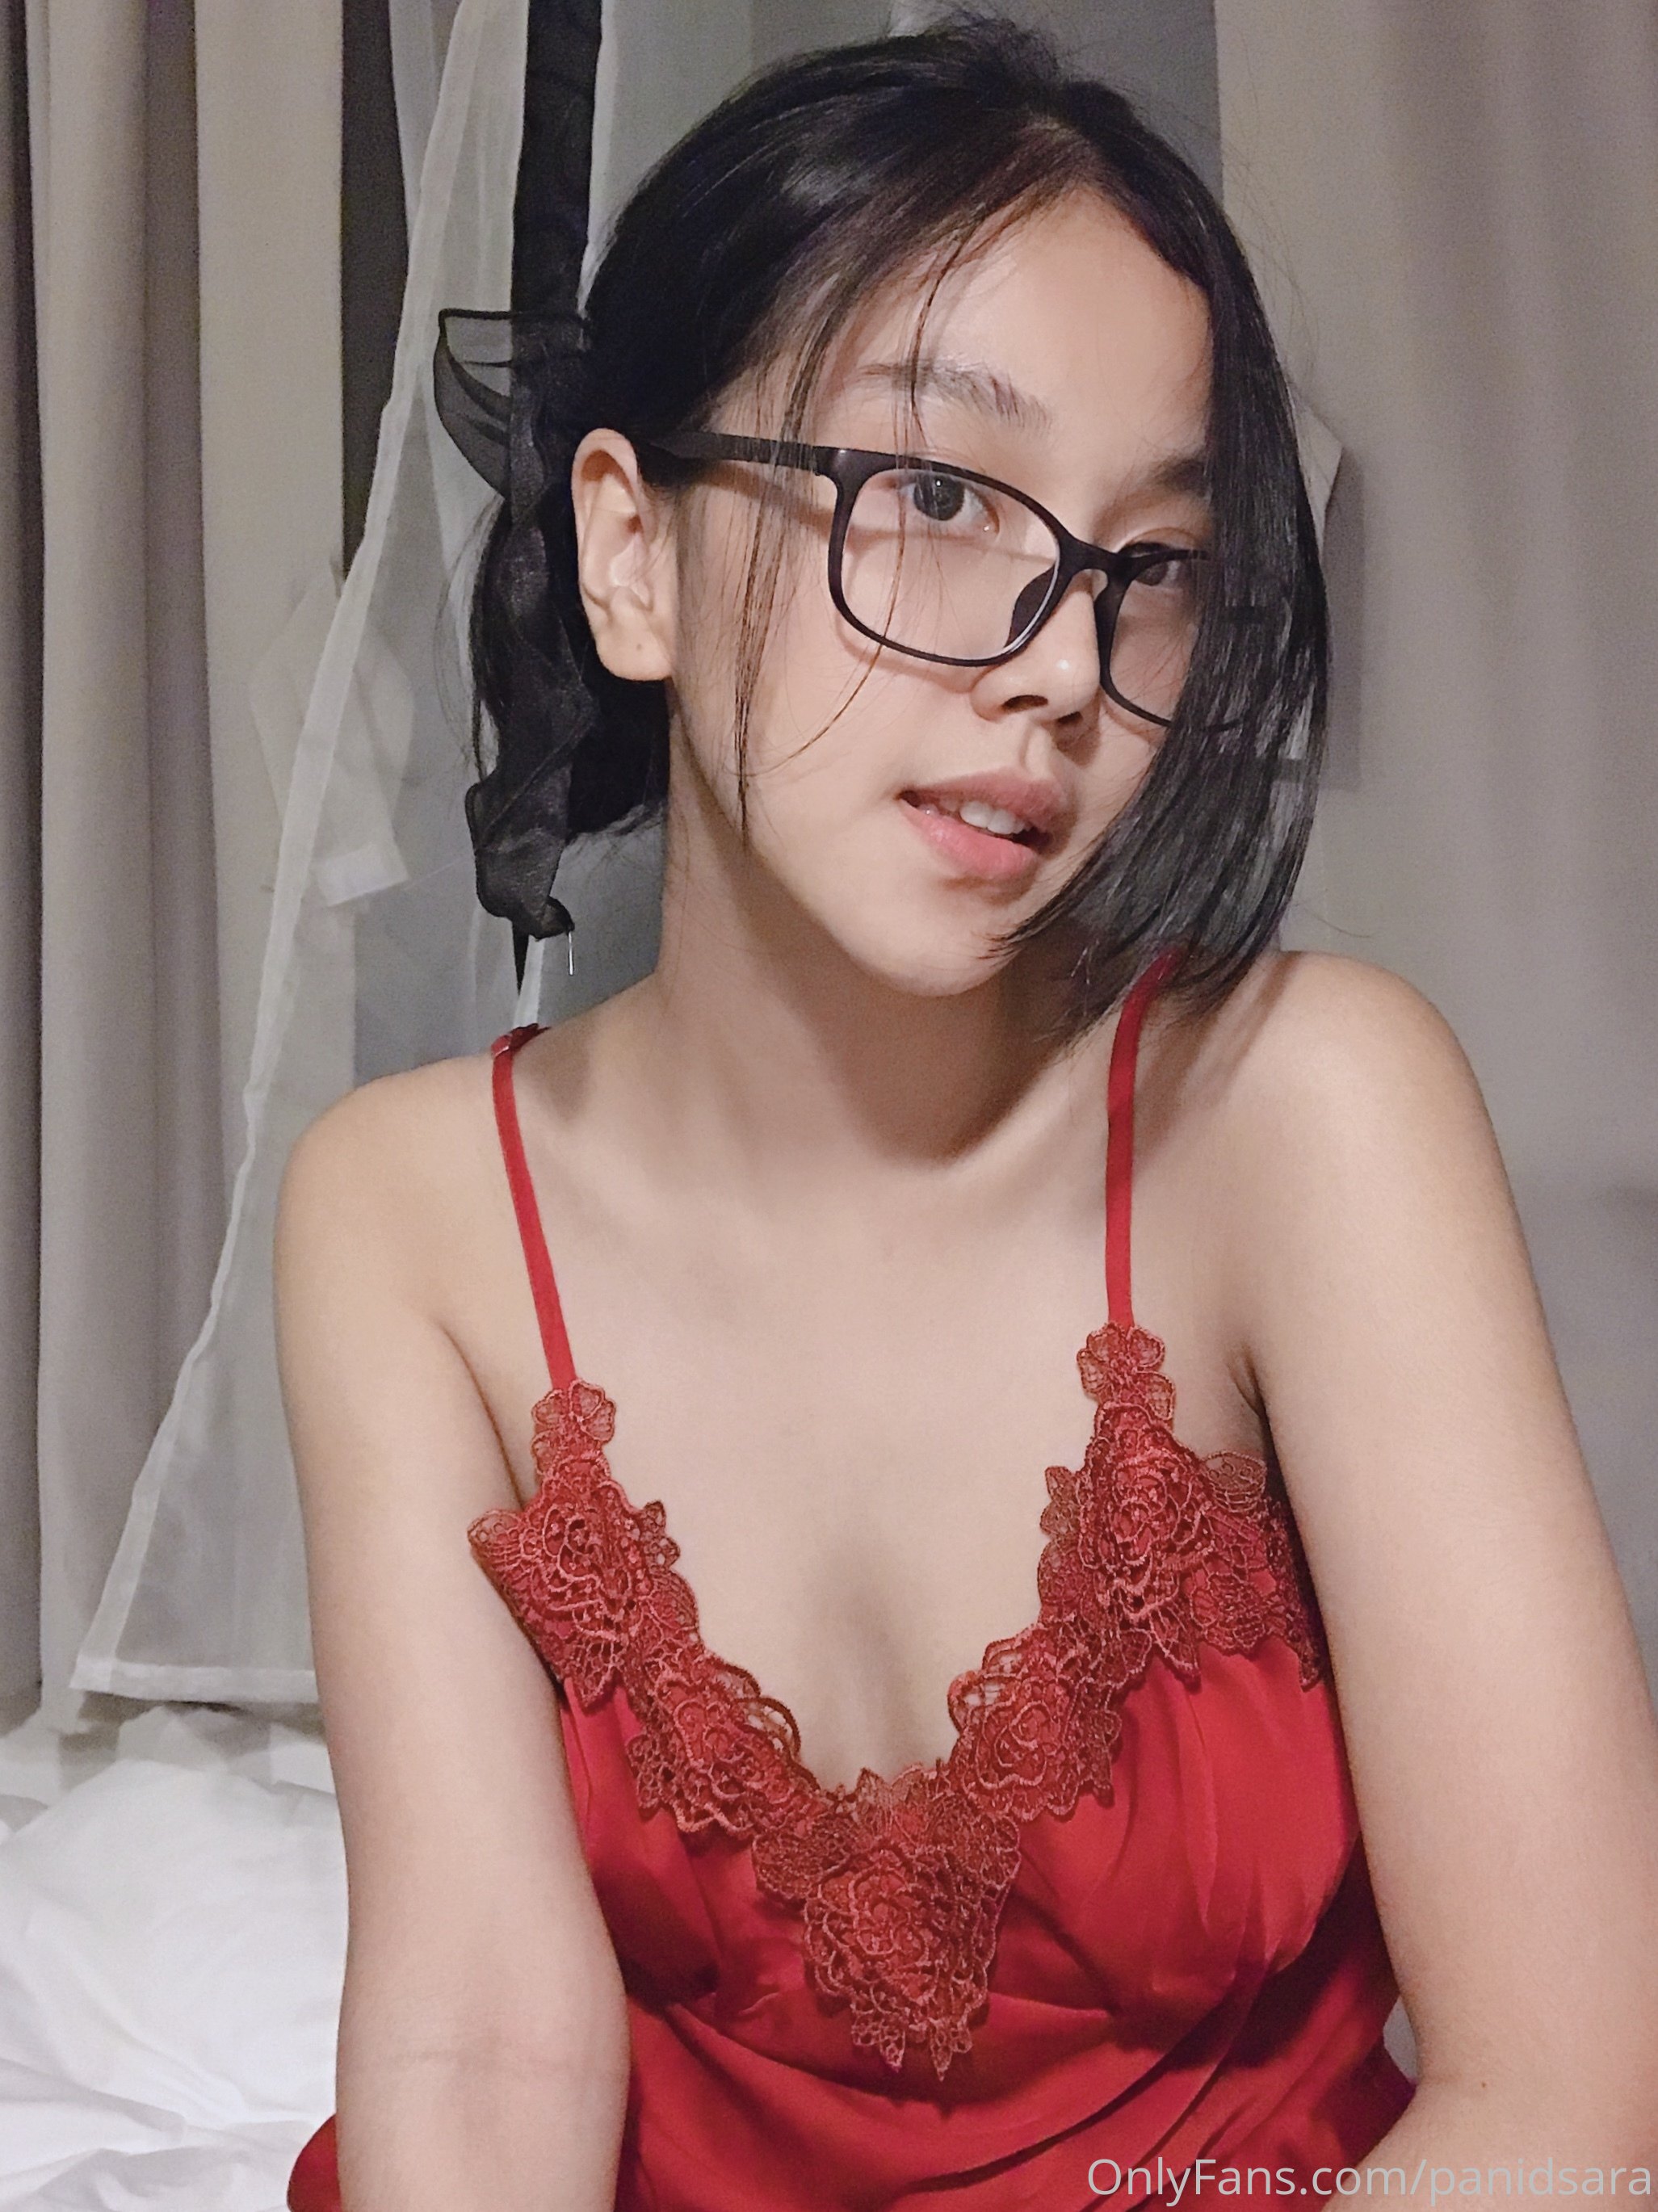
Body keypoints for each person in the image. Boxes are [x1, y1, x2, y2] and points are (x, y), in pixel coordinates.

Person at [277, 21, 1658, 2212]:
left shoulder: (1308, 1113)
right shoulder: (408, 1215)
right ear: (630, 551)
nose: (1060, 665)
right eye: (933, 497)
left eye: (1149, 566)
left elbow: (1571, 2102)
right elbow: (477, 2046)